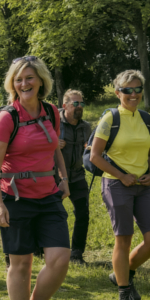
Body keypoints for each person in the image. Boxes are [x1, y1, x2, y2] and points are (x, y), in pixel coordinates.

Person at [0, 56, 71, 300]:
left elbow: (54, 146)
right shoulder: (8, 117)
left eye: (30, 78)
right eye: (19, 79)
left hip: (48, 196)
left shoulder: (51, 112)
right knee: (20, 264)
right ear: (13, 84)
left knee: (59, 260)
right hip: (16, 197)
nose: (25, 84)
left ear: (41, 81)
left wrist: (63, 177)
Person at [89, 70, 150, 300]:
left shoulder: (147, 118)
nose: (133, 94)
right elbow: (95, 157)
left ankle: (123, 274)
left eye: (137, 89)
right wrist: (122, 176)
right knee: (124, 239)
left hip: (144, 186)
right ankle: (124, 296)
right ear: (117, 92)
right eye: (127, 90)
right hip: (117, 185)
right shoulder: (110, 118)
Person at [58, 90, 93, 265]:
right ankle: (41, 248)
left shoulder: (86, 127)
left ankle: (76, 254)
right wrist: (53, 144)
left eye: (82, 104)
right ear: (65, 106)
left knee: (83, 214)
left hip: (78, 176)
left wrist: (91, 149)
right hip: (55, 177)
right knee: (51, 214)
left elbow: (92, 148)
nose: (80, 107)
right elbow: (38, 143)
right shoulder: (53, 123)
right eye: (75, 104)